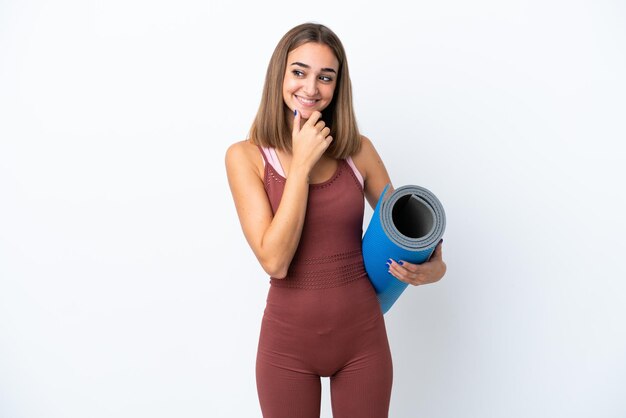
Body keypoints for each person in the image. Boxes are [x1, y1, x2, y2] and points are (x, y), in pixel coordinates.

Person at [225, 22, 446, 418]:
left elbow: (404, 230)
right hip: (286, 347)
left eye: (325, 77)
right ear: (279, 75)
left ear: (337, 86)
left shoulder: (359, 151)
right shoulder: (246, 157)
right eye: (299, 72)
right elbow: (274, 260)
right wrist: (301, 165)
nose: (310, 88)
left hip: (362, 341)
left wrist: (435, 268)